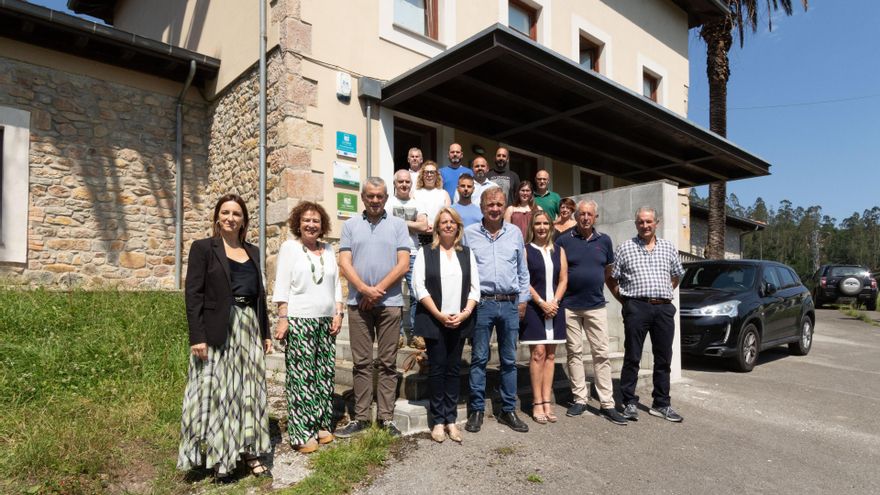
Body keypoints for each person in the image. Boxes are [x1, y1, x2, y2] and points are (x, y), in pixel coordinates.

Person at [178, 193, 271, 481]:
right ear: (217, 217)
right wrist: (197, 336)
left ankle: (250, 452)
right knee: (218, 393)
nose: (231, 218)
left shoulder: (253, 251)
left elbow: (259, 295)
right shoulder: (203, 248)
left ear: (244, 220)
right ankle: (221, 457)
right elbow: (193, 295)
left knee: (249, 392)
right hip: (218, 330)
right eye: (226, 213)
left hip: (249, 328)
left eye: (236, 214)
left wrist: (265, 332)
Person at [337, 178, 411, 437]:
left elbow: (403, 264)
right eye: (370, 196)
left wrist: (376, 290)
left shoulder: (399, 225)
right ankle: (361, 418)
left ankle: (386, 418)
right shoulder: (350, 225)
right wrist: (364, 290)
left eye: (380, 196)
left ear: (386, 198)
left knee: (388, 362)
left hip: (390, 303)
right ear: (363, 197)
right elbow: (344, 263)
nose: (375, 200)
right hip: (358, 304)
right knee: (362, 362)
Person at [273, 201, 344, 453]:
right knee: (302, 377)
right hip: (300, 319)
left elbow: (336, 284)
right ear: (298, 223)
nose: (311, 225)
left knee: (323, 375)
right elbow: (282, 284)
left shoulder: (328, 249)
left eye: (316, 221)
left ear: (322, 225)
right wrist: (283, 317)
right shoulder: (290, 248)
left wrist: (338, 312)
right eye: (306, 220)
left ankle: (321, 425)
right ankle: (301, 433)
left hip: (326, 320)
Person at [607, 206, 685, 423]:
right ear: (636, 224)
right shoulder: (625, 248)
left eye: (649, 221)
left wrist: (663, 292)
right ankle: (629, 402)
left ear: (656, 223)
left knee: (664, 358)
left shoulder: (668, 248)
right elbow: (611, 277)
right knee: (633, 356)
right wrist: (626, 301)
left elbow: (677, 275)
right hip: (636, 307)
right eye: (641, 222)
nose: (645, 225)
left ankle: (661, 403)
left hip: (663, 309)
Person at [463, 186, 531, 434]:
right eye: (490, 204)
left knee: (509, 360)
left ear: (505, 207)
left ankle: (508, 409)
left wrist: (523, 300)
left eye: (499, 204)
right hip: (482, 304)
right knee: (479, 358)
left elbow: (522, 270)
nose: (494, 209)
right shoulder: (469, 234)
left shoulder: (514, 233)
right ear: (482, 207)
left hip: (510, 303)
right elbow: (464, 270)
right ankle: (477, 410)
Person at [555, 200, 628, 425]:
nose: (585, 217)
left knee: (601, 354)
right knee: (574, 353)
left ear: (595, 217)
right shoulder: (563, 240)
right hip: (570, 305)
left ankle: (607, 403)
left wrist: (620, 297)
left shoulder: (604, 241)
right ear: (576, 216)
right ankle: (580, 399)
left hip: (596, 305)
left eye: (589, 214)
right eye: (582, 214)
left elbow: (608, 272)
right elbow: (558, 272)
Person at [412, 207, 480, 443]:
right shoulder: (425, 252)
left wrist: (465, 313)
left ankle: (451, 419)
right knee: (437, 370)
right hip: (435, 320)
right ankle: (438, 421)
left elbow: (475, 288)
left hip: (459, 320)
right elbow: (419, 287)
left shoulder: (467, 253)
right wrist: (439, 315)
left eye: (452, 222)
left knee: (453, 370)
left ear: (458, 227)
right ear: (438, 228)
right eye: (444, 222)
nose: (448, 225)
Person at [520, 211, 567, 424]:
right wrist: (541, 303)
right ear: (532, 227)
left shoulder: (559, 250)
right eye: (537, 224)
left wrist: (554, 302)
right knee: (538, 353)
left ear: (551, 226)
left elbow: (563, 279)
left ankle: (548, 401)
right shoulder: (526, 250)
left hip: (555, 307)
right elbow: (524, 279)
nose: (541, 227)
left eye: (545, 223)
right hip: (534, 307)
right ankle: (537, 402)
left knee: (550, 355)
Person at [385, 170, 429, 348]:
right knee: (392, 294)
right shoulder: (388, 203)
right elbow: (384, 226)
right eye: (400, 181)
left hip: (413, 253)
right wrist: (413, 224)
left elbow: (424, 226)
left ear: (411, 183)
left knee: (416, 292)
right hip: (391, 253)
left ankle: (416, 333)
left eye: (407, 182)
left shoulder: (417, 203)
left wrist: (400, 223)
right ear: (395, 183)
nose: (404, 185)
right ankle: (397, 334)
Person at [414, 161, 451, 245]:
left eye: (432, 172)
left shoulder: (444, 194)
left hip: (439, 236)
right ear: (422, 175)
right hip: (418, 237)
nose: (429, 175)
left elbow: (448, 216)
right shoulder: (414, 194)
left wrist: (435, 227)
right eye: (426, 172)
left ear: (437, 175)